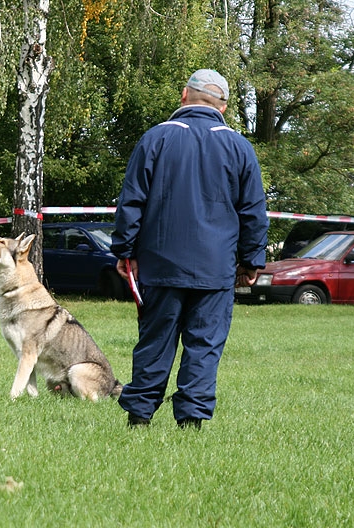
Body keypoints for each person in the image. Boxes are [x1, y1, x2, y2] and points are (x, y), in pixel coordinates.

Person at [110, 69, 269, 429]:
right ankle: (192, 422)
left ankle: (139, 418)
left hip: (161, 264)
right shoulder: (240, 147)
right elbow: (253, 212)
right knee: (205, 345)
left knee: (155, 341)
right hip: (216, 269)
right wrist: (251, 260)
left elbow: (131, 202)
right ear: (224, 107)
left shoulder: (155, 139)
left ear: (184, 95)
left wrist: (125, 251)